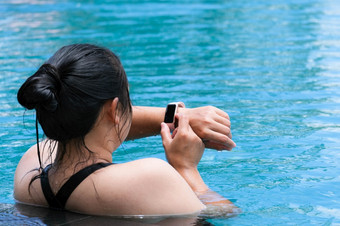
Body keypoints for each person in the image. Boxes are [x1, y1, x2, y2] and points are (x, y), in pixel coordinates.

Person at [14, 44, 239, 218]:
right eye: (127, 101)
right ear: (113, 109)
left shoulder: (30, 168)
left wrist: (178, 116)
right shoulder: (150, 178)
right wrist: (186, 167)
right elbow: (224, 214)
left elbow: (86, 120)